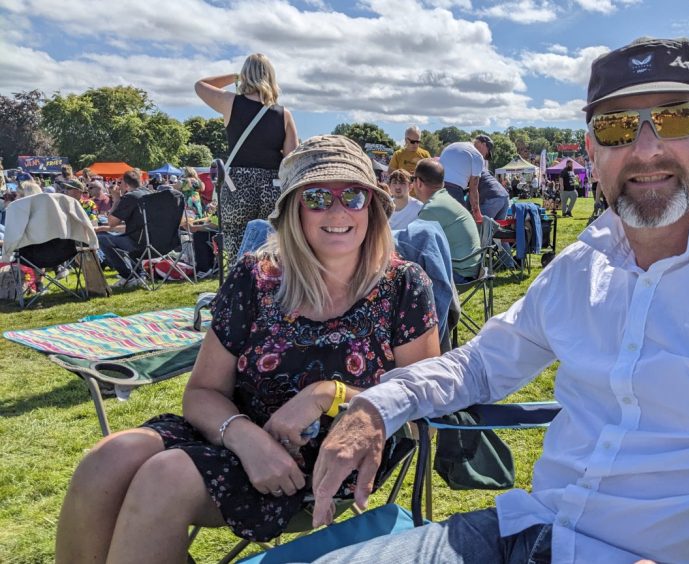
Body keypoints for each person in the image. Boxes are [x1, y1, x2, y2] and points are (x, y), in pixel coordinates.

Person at [309, 37, 689, 563]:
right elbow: (483, 363)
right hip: (527, 535)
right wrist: (379, 404)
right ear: (590, 149)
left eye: (675, 118)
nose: (646, 148)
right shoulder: (581, 267)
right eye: (615, 128)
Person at [56, 135, 440, 563]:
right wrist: (245, 439)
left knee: (164, 476)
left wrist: (326, 393)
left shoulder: (402, 284)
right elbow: (201, 393)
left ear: (372, 206)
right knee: (108, 457)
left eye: (353, 195)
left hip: (332, 454)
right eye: (316, 197)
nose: (337, 210)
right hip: (233, 433)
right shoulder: (255, 277)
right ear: (294, 209)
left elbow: (421, 394)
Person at [195, 52, 300, 267]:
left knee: (236, 240)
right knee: (272, 243)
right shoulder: (284, 114)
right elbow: (291, 159)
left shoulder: (230, 103)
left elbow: (200, 85)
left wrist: (235, 77)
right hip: (272, 185)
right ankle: (268, 288)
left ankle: (240, 286)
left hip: (238, 185)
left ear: (245, 76)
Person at [413, 158, 481, 282]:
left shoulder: (431, 209)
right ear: (442, 182)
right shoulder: (443, 199)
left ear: (418, 182)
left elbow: (413, 246)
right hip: (469, 269)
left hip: (458, 274)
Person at [94, 169, 158, 288]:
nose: (119, 186)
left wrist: (116, 200)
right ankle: (139, 274)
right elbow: (139, 225)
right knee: (117, 236)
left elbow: (111, 222)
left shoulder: (130, 197)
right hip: (159, 243)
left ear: (126, 185)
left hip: (139, 244)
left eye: (120, 183)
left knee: (101, 238)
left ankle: (127, 276)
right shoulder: (151, 194)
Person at [439, 141, 485, 222]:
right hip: (454, 191)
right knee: (460, 224)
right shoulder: (478, 156)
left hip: (436, 187)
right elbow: (473, 189)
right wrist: (477, 213)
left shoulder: (452, 146)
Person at [472, 135, 510, 220]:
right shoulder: (478, 163)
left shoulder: (472, 161)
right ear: (483, 145)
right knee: (495, 231)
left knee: (479, 230)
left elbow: (472, 190)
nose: (486, 155)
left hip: (493, 198)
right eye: (488, 151)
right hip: (504, 196)